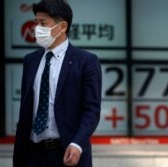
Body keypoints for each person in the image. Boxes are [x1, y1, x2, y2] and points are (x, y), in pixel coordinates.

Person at [13, 0, 102, 166]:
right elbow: (25, 109)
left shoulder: (86, 62)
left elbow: (91, 110)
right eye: (36, 23)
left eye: (43, 23)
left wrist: (77, 144)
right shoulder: (30, 60)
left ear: (62, 27)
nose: (36, 29)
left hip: (67, 152)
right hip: (32, 154)